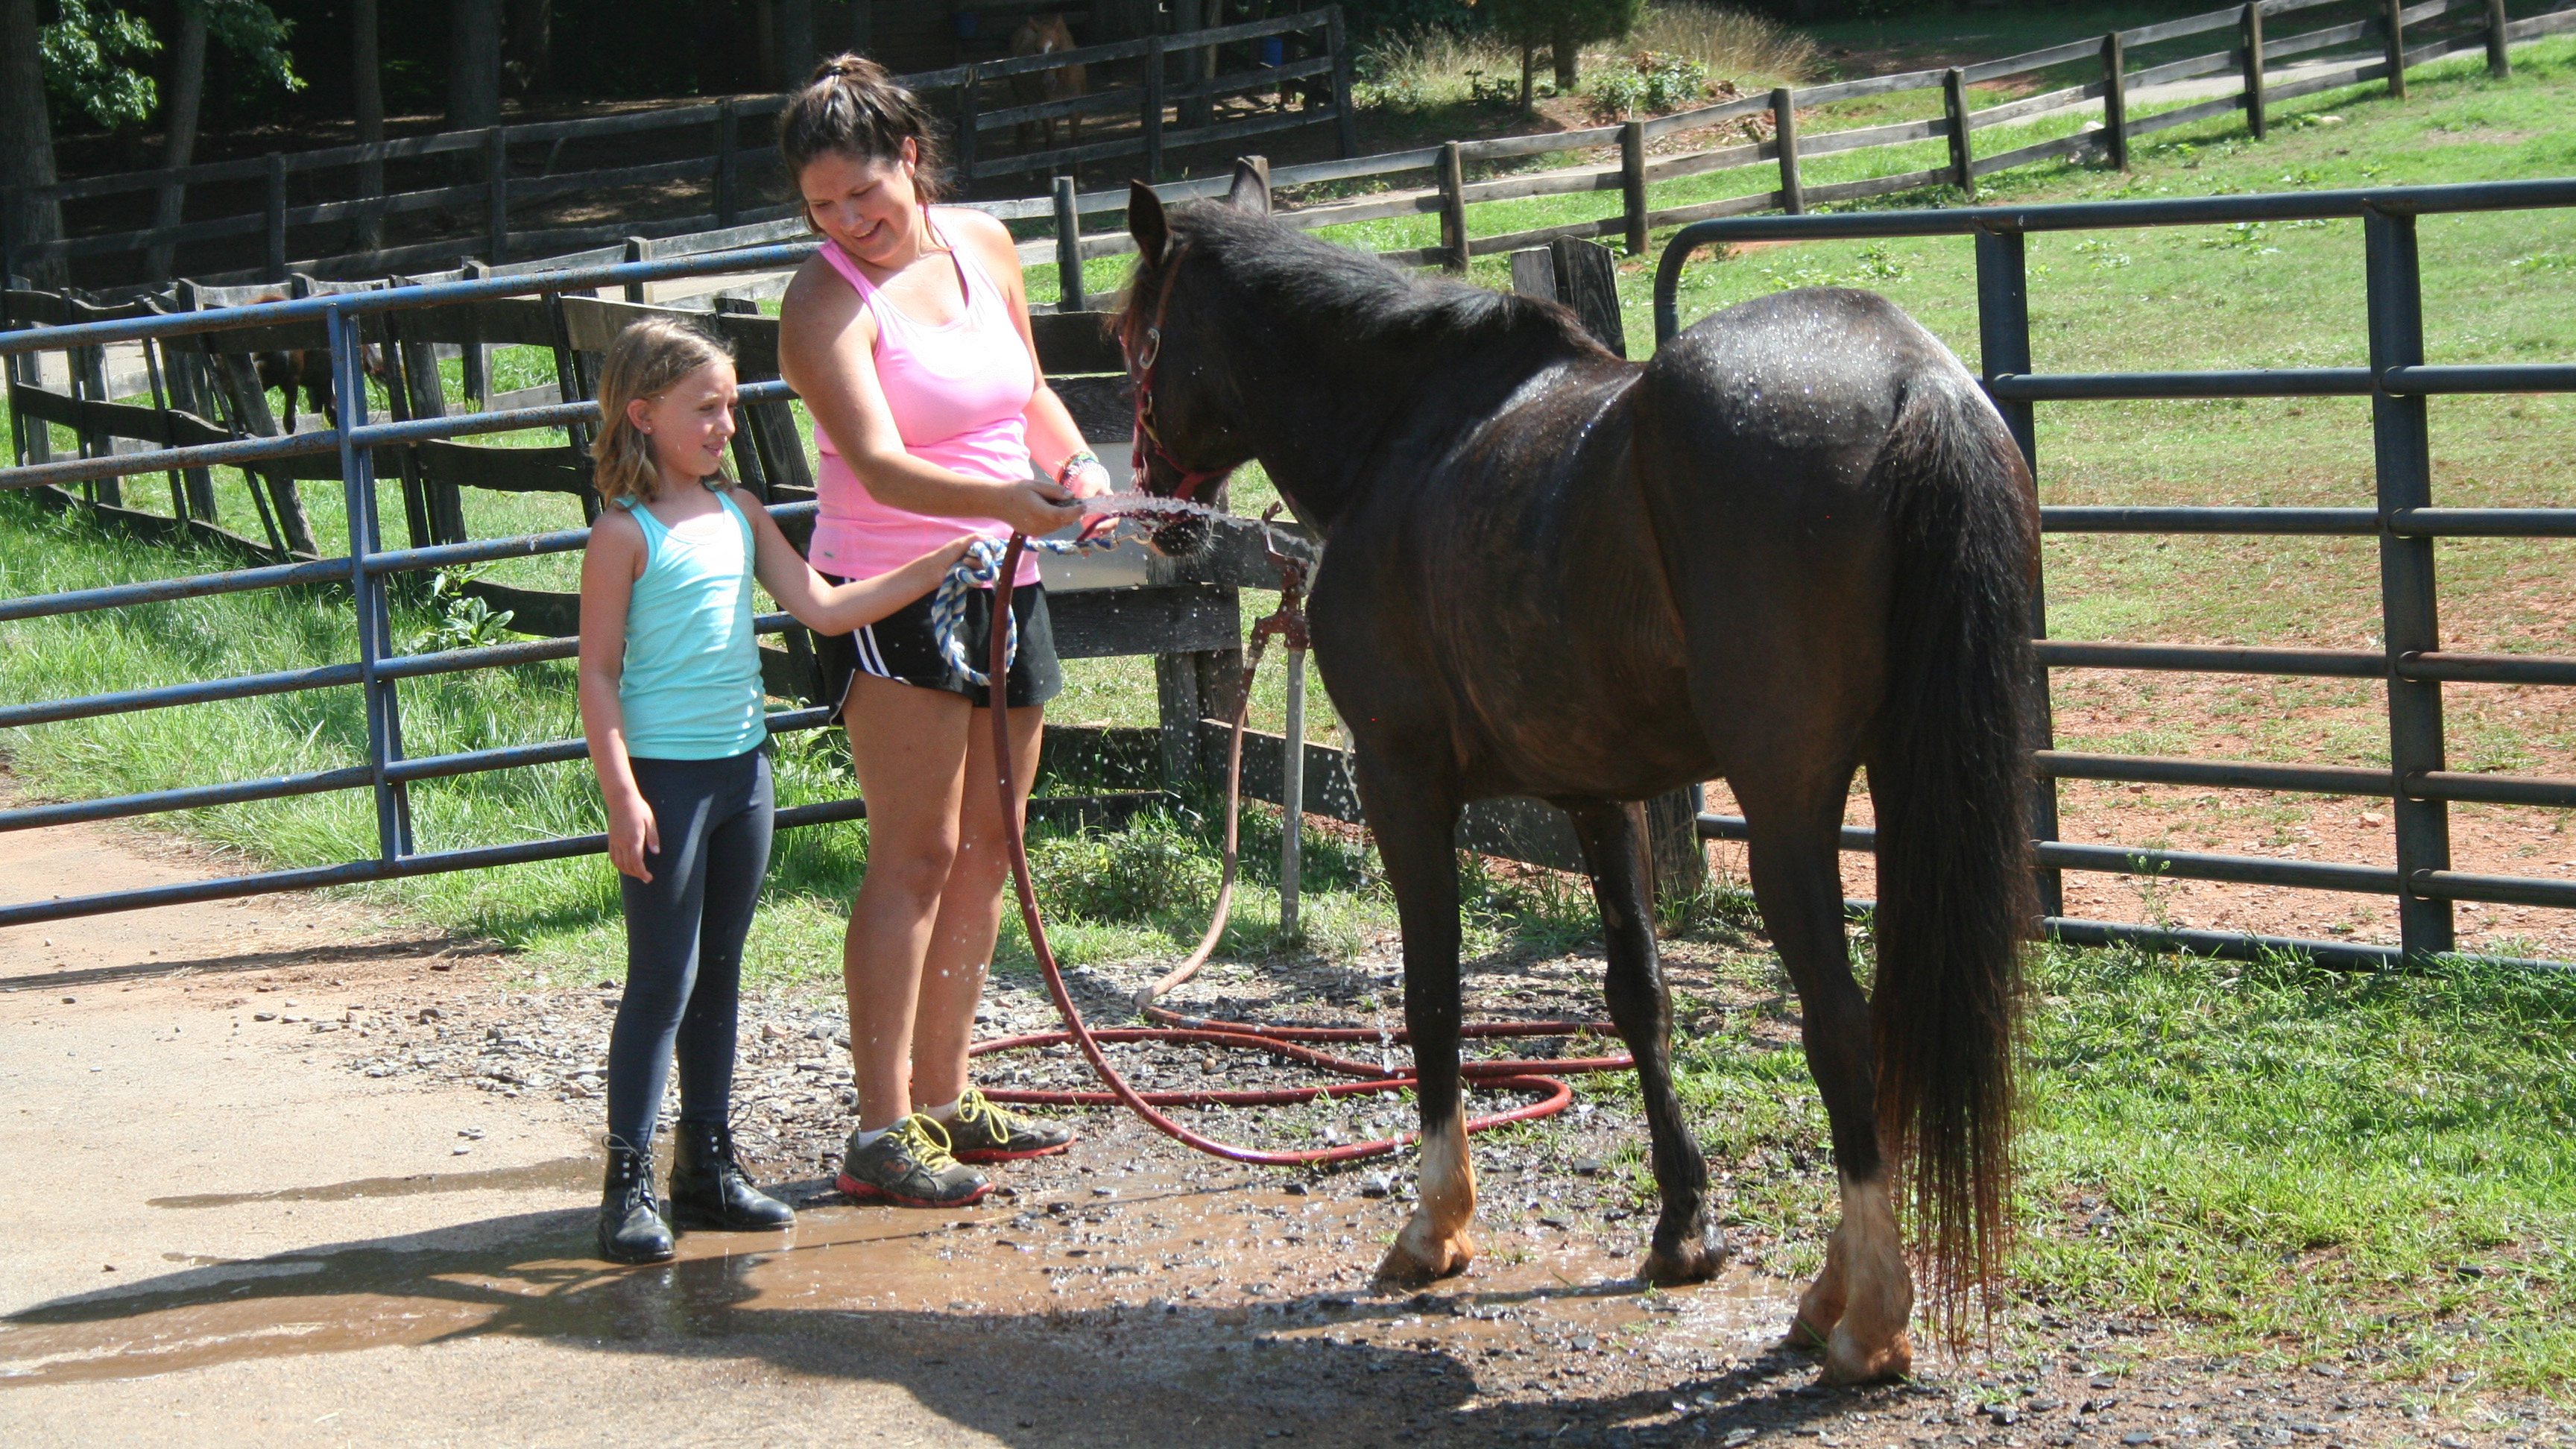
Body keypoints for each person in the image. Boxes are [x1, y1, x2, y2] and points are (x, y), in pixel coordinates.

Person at [775, 54, 1111, 1209]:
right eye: (823, 206)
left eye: (863, 193)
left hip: (1008, 575)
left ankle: (946, 1094)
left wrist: (1073, 465)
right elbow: (874, 461)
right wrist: (1008, 504)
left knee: (991, 844)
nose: (849, 221)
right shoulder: (822, 302)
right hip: (898, 588)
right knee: (914, 853)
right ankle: (878, 1130)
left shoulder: (986, 246)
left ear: (909, 158)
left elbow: (1026, 395)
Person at [578, 316, 971, 1263]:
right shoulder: (622, 535)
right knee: (661, 981)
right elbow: (596, 675)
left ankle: (705, 1166)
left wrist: (938, 563)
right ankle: (626, 1179)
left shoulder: (741, 513)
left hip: (742, 776)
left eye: (731, 406)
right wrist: (622, 795)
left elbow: (824, 607)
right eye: (703, 408)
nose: (724, 423)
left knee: (720, 975)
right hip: (667, 783)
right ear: (642, 413)